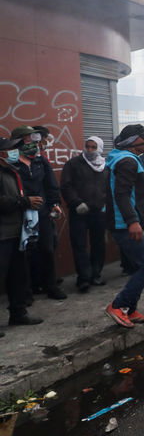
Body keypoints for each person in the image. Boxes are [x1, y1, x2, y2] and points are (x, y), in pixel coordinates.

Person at [104, 124, 144, 328]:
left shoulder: (124, 158)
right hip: (125, 224)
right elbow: (122, 194)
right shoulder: (127, 161)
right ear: (134, 141)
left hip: (127, 222)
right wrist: (132, 221)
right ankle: (118, 305)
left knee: (141, 265)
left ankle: (130, 309)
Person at [10, 126, 66, 300]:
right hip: (19, 215)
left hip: (41, 214)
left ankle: (50, 286)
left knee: (47, 250)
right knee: (23, 255)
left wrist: (54, 204)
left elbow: (50, 185)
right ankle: (26, 292)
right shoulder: (11, 163)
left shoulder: (40, 161)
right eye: (28, 139)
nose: (33, 143)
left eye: (34, 139)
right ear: (18, 142)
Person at [0, 136, 44, 328]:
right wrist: (24, 202)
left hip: (18, 232)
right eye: (11, 149)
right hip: (2, 234)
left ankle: (18, 314)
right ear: (2, 153)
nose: (15, 152)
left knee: (18, 276)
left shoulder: (13, 170)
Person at [60, 136, 107, 292]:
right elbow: (66, 186)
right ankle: (84, 278)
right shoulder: (73, 164)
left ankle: (96, 274)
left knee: (98, 244)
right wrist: (76, 202)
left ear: (100, 148)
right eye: (88, 146)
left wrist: (105, 203)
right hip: (79, 211)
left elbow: (108, 187)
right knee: (79, 245)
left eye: (94, 147)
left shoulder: (105, 166)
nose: (90, 150)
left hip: (99, 211)